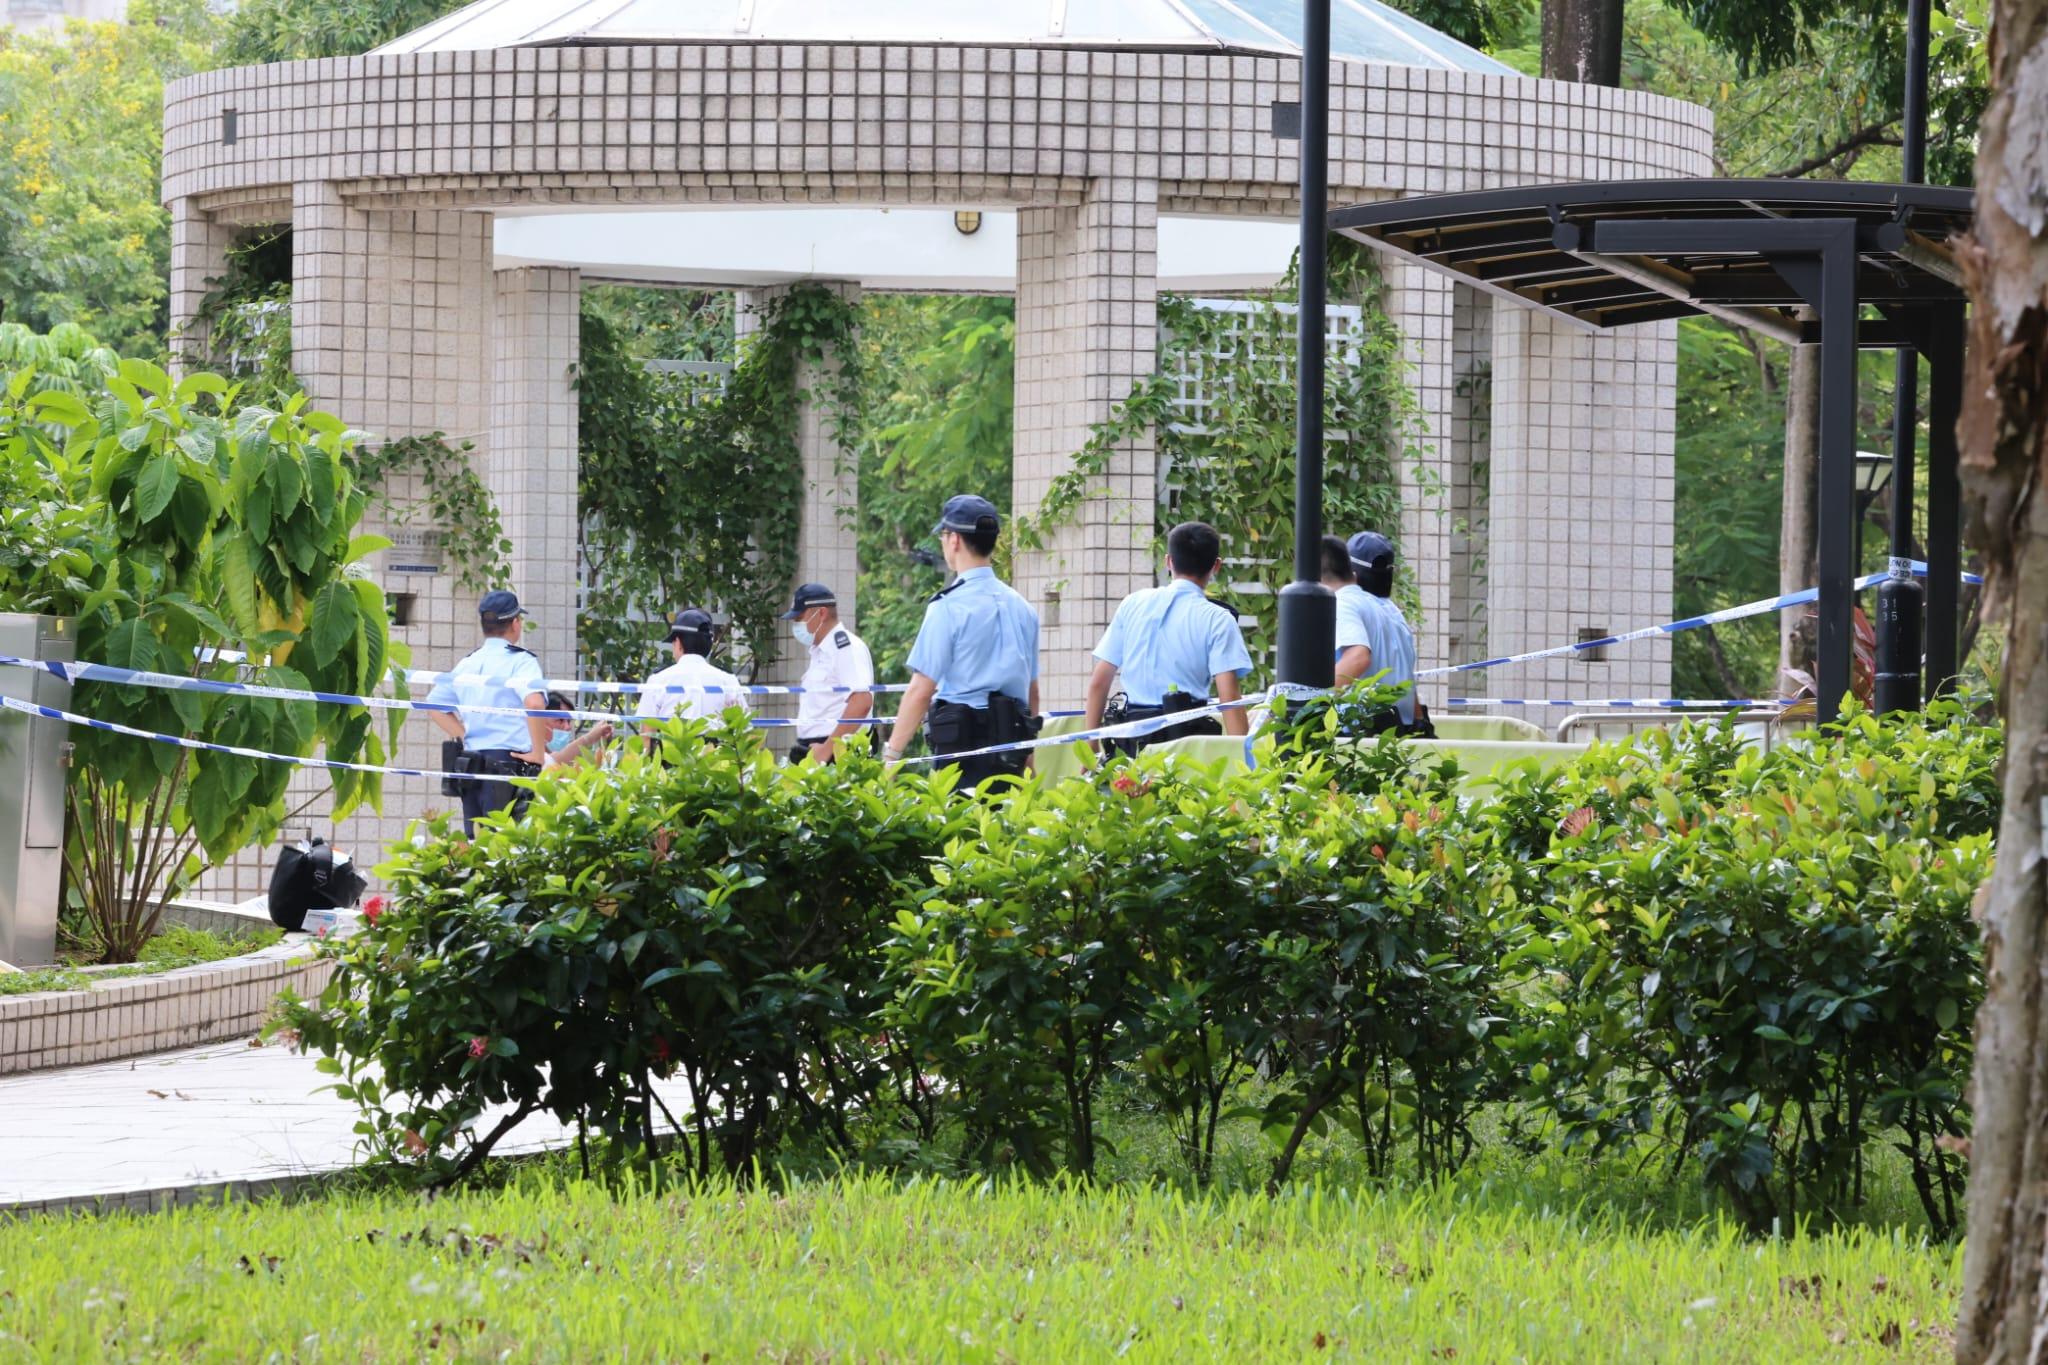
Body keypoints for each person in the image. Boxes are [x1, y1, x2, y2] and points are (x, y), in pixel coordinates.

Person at [883, 494, 1041, 793]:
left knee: (961, 835)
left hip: (961, 755)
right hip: (1012, 752)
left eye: (943, 536)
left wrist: (891, 758)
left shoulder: (948, 606)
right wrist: (1029, 756)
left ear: (954, 540)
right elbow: (1031, 691)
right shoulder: (1024, 609)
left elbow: (920, 689)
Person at [1084, 521, 1253, 757]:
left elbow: (1098, 683)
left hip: (1131, 745)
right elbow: (1229, 700)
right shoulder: (1218, 619)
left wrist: (1090, 748)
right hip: (1186, 749)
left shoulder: (1132, 604)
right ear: (1216, 566)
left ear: (1168, 561)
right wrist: (1244, 764)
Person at [426, 590, 551, 837]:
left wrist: (465, 735)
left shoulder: (468, 663)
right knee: (509, 847)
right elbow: (535, 704)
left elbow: (433, 705)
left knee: (477, 846)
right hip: (509, 763)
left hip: (471, 765)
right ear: (515, 623)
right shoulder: (521, 662)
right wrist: (538, 752)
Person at [1343, 529, 1430, 737]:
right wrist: (1421, 725)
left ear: (1351, 573)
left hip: (1363, 734)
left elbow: (1357, 658)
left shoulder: (1350, 605)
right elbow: (1407, 680)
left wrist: (1308, 703)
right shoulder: (1395, 614)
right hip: (1400, 730)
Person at [781, 582, 879, 765]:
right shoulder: (821, 652)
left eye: (800, 618)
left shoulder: (845, 648)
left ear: (822, 613)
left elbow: (861, 701)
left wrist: (827, 750)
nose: (796, 625)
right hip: (817, 751)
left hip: (837, 753)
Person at [634, 608, 752, 751]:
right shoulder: (728, 681)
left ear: (678, 642)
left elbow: (648, 735)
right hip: (717, 763)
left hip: (671, 761)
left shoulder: (659, 680)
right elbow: (745, 731)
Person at [540, 691, 614, 769]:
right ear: (539, 721)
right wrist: (589, 738)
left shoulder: (571, 764)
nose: (568, 727)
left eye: (569, 721)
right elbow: (552, 761)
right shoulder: (530, 755)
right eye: (560, 720)